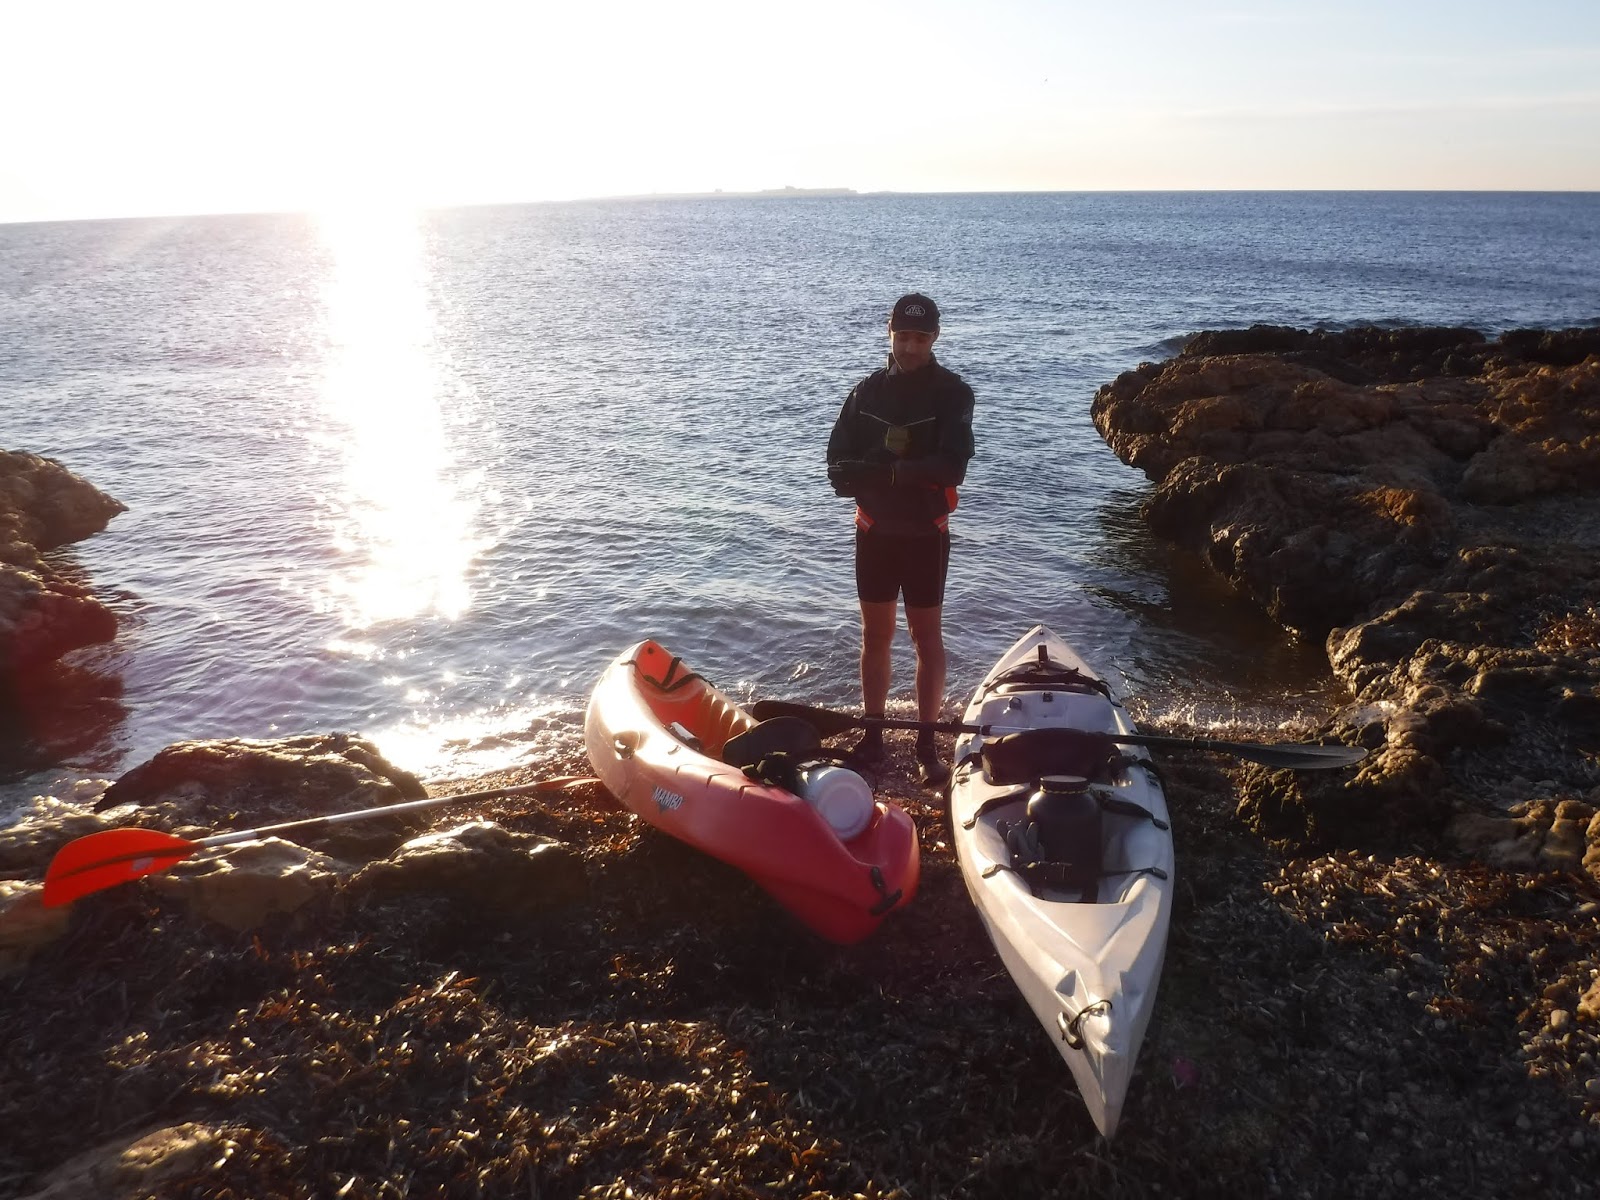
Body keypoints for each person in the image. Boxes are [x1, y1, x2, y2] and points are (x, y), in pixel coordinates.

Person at [826, 293, 976, 786]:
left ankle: (926, 744)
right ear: (889, 332)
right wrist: (848, 475)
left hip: (925, 535)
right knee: (876, 636)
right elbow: (836, 456)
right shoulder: (865, 392)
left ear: (935, 337)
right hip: (874, 531)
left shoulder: (953, 393)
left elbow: (952, 466)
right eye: (902, 336)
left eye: (920, 338)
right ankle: (873, 736)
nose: (910, 347)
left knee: (925, 639)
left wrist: (893, 473)